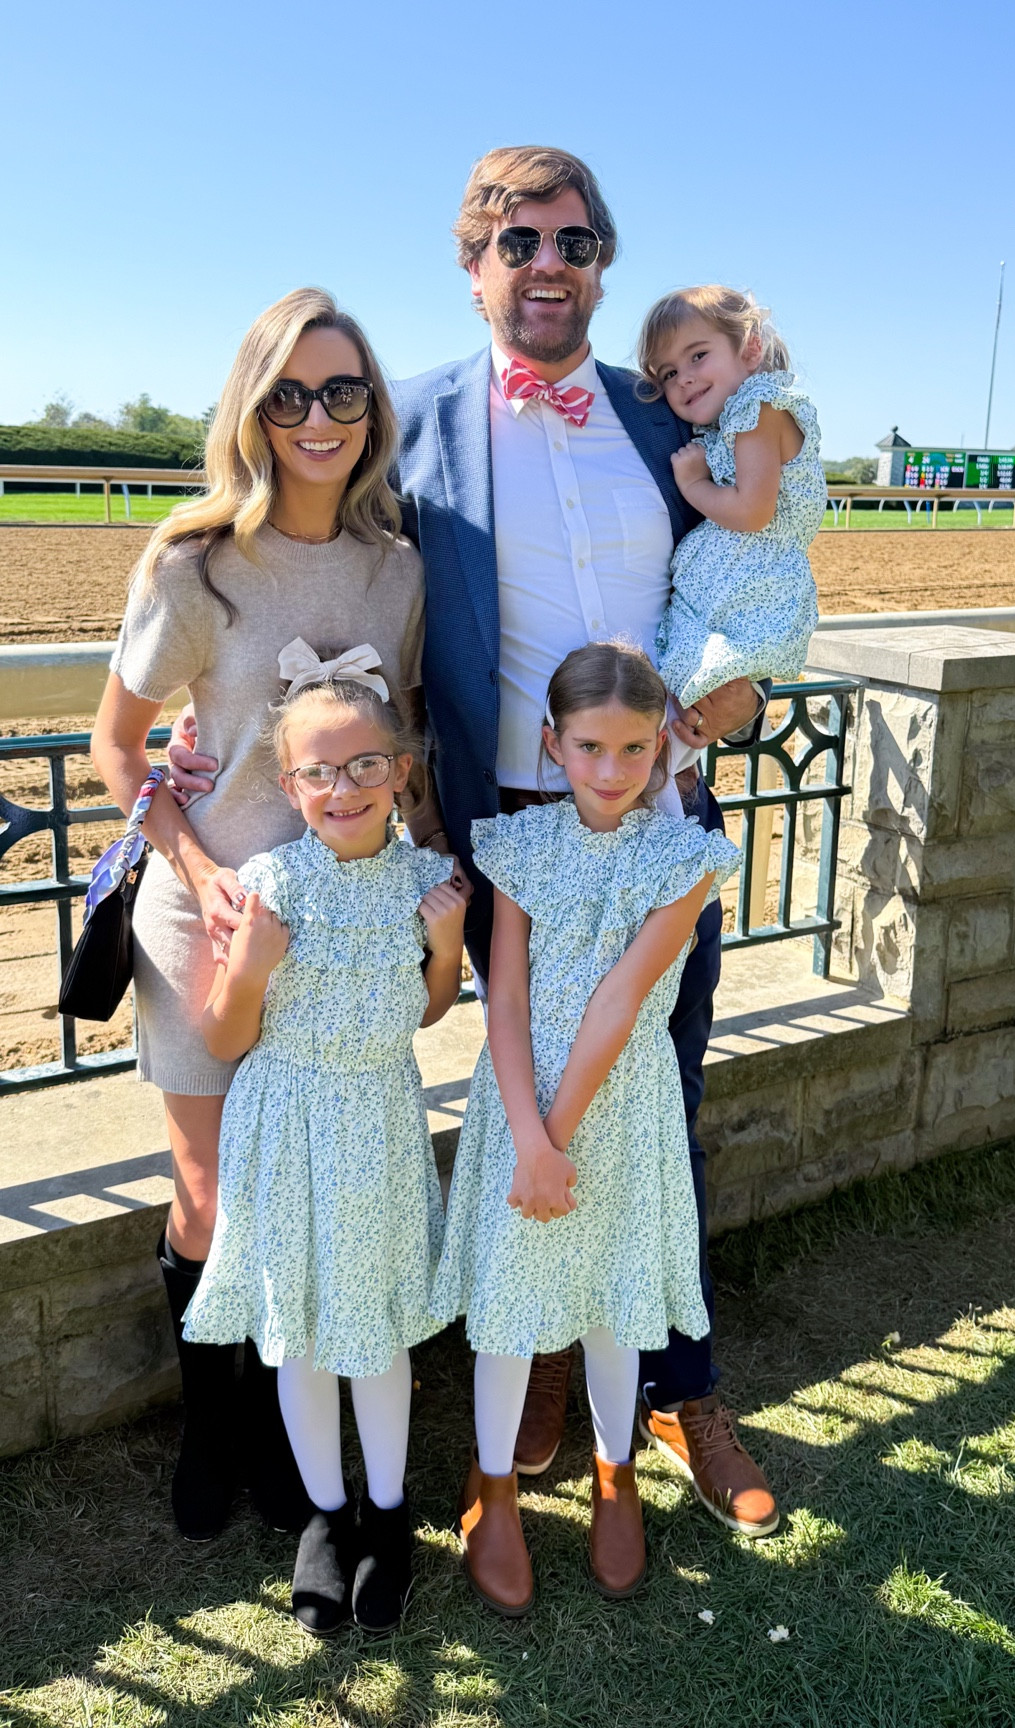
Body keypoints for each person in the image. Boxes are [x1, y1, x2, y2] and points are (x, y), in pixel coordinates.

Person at [172, 146, 782, 1537]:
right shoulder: (422, 424)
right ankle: (541, 1376)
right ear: (475, 265)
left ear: (601, 261)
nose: (548, 265)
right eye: (519, 244)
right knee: (521, 1108)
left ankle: (682, 1390)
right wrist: (197, 703)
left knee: (656, 1109)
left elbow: (753, 557)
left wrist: (745, 676)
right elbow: (307, 523)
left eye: (573, 241)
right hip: (509, 830)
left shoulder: (660, 411)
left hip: (660, 818)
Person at [91, 288, 446, 1543]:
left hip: (344, 935)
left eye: (341, 391)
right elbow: (118, 747)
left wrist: (433, 878)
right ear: (252, 410)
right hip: (215, 921)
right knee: (213, 1191)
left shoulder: (399, 567)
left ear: (372, 410)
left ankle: (317, 1454)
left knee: (323, 1189)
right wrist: (193, 870)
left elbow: (405, 734)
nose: (316, 417)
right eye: (287, 394)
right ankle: (219, 1426)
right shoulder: (194, 567)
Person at [431, 643, 740, 1614]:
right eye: (592, 747)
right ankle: (495, 1488)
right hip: (521, 1108)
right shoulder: (518, 846)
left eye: (635, 750)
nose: (612, 772)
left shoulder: (685, 857)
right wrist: (528, 1138)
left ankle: (616, 1471)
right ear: (552, 744)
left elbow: (620, 1002)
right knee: (511, 1307)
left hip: (622, 1105)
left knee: (612, 1300)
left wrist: (555, 1141)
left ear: (663, 747)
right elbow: (507, 996)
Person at [182, 659, 466, 1633]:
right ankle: (326, 1515)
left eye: (364, 767)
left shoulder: (428, 882)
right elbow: (224, 1039)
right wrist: (252, 966)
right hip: (284, 1124)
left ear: (402, 770)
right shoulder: (266, 885)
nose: (341, 789)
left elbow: (427, 1014)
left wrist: (453, 941)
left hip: (378, 1118)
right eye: (318, 773)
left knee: (374, 1328)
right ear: (289, 783)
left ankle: (389, 1514)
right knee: (301, 1327)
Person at [636, 285, 825, 709]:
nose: (683, 376)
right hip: (742, 578)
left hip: (753, 583)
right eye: (667, 373)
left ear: (750, 349)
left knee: (697, 691)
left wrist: (692, 484)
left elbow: (752, 512)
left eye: (698, 355)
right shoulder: (730, 422)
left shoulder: (759, 410)